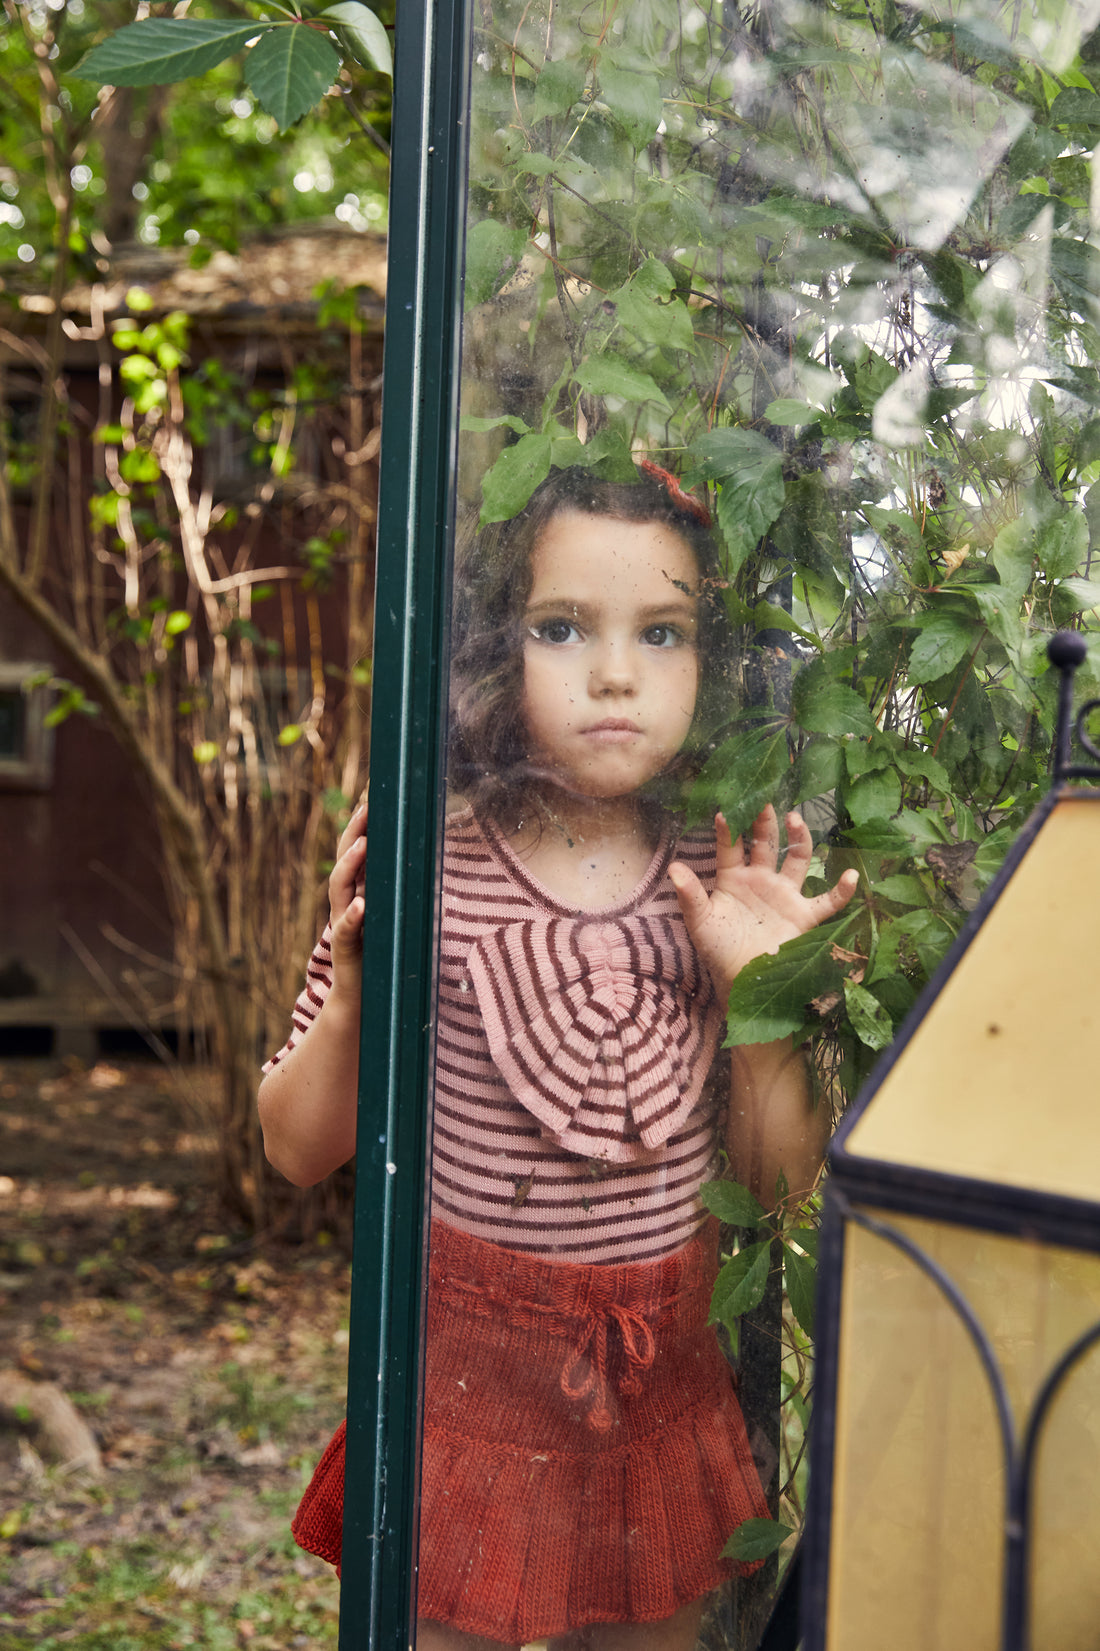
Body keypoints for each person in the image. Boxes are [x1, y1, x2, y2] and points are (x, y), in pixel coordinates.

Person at [258, 465, 858, 1651]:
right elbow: (293, 1149)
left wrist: (761, 996)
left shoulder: (716, 863)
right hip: (466, 1389)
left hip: (659, 1388)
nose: (616, 672)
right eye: (561, 627)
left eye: (663, 632)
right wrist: (357, 990)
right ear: (493, 646)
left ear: (713, 664)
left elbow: (780, 1182)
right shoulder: (429, 854)